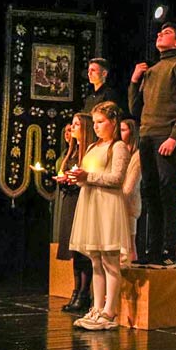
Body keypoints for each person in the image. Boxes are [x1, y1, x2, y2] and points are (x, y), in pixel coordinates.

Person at [130, 22, 176, 267]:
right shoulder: (151, 70)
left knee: (167, 192)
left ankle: (169, 250)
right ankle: (153, 250)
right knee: (150, 193)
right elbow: (135, 109)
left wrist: (174, 136)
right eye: (159, 32)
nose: (160, 34)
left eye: (167, 33)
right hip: (146, 136)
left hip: (165, 135)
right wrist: (134, 81)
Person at [68, 102, 132, 331]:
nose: (95, 126)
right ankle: (96, 307)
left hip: (107, 205)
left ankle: (110, 310)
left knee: (110, 261)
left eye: (100, 122)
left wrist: (88, 177)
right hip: (91, 203)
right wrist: (76, 177)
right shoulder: (92, 147)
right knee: (95, 260)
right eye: (94, 122)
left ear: (113, 122)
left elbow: (117, 179)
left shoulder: (119, 147)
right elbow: (86, 175)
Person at [54, 113, 97, 314]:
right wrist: (63, 179)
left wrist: (73, 180)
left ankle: (84, 293)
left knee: (82, 250)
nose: (72, 128)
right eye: (72, 124)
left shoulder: (88, 152)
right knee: (74, 249)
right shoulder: (71, 151)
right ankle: (76, 291)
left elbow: (88, 177)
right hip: (69, 200)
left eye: (77, 124)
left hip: (82, 200)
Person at [120, 118, 142, 264]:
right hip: (118, 202)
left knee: (129, 245)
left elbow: (131, 185)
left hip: (129, 204)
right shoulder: (120, 152)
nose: (120, 133)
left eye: (123, 130)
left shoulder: (137, 156)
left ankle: (131, 270)